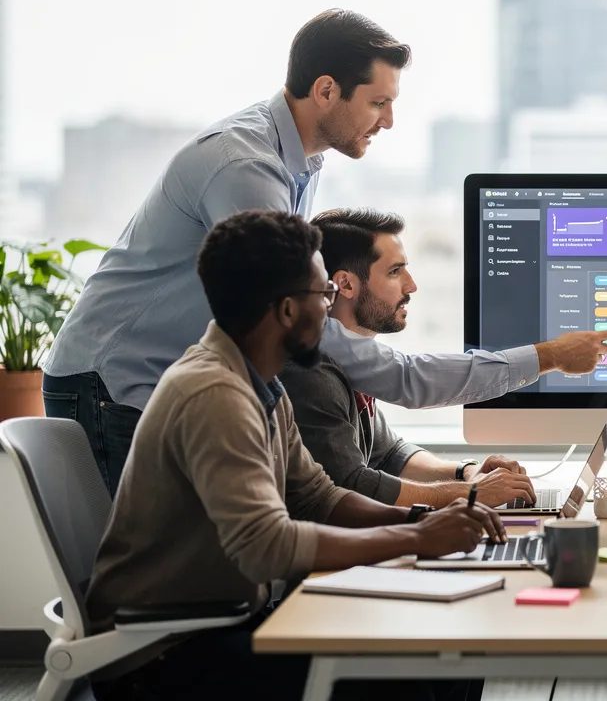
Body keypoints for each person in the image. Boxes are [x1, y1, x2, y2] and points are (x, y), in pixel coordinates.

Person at [42, 8, 607, 496]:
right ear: (325, 91)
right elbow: (333, 345)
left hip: (158, 381)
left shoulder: (298, 165)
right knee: (156, 585)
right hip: (113, 384)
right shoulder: (248, 169)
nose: (390, 120)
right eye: (378, 103)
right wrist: (543, 356)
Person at [85, 210, 503, 700]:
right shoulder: (214, 394)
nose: (330, 310)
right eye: (323, 294)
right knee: (415, 675)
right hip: (162, 653)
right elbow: (268, 545)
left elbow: (318, 497)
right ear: (286, 310)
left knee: (446, 646)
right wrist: (414, 535)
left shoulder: (261, 383)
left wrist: (417, 518)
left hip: (219, 621)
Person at [280, 208, 536, 509]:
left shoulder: (353, 361)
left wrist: (467, 472)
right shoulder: (312, 373)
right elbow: (351, 485)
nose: (411, 285)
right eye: (394, 271)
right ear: (346, 285)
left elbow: (389, 454)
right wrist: (470, 494)